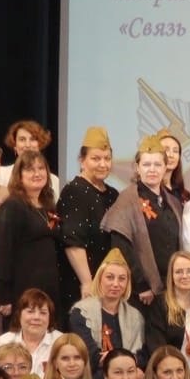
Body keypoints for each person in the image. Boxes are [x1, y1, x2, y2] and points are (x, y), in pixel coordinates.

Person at [102, 135, 184, 307]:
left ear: (165, 167)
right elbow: (121, 246)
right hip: (143, 293)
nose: (152, 169)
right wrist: (142, 285)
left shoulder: (173, 202)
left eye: (157, 164)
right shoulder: (127, 199)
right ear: (138, 168)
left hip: (172, 287)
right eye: (146, 164)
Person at [0, 149, 63, 319]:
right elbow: (2, 253)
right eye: (30, 169)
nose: (37, 173)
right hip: (23, 289)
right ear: (19, 176)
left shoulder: (48, 205)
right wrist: (4, 295)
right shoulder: (12, 207)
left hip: (50, 288)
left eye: (41, 168)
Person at [58, 126, 121, 314]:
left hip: (107, 283)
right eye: (96, 159)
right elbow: (72, 240)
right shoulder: (75, 190)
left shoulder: (112, 194)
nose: (103, 164)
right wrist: (87, 282)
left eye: (107, 159)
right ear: (82, 160)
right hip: (83, 282)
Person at [70, 250, 150, 379]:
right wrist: (123, 363)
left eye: (121, 279)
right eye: (110, 277)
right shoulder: (81, 312)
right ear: (100, 279)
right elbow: (89, 355)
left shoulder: (136, 316)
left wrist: (127, 365)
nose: (115, 284)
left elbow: (143, 355)